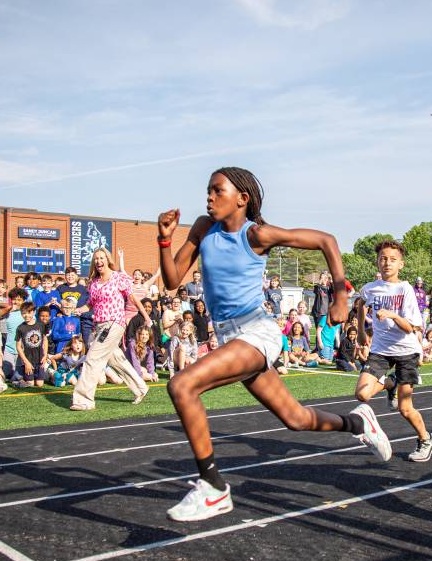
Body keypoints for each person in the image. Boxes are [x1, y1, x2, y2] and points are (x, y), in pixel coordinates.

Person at [157, 166, 390, 521]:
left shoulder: (257, 235)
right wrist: (164, 239)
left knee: (182, 385)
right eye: (208, 190)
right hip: (230, 337)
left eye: (217, 190)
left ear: (242, 199)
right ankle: (359, 424)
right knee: (295, 419)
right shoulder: (204, 229)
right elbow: (172, 281)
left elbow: (326, 240)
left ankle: (213, 487)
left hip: (257, 333)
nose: (209, 197)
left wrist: (341, 296)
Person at [353, 239, 432, 462]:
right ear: (377, 262)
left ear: (401, 264)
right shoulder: (370, 288)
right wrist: (361, 331)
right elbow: (360, 304)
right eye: (383, 259)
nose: (387, 263)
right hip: (380, 349)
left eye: (392, 259)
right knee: (362, 394)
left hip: (406, 351)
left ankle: (426, 439)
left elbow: (411, 327)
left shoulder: (405, 289)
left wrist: (392, 315)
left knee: (405, 408)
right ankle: (391, 383)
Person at [70, 248, 152, 410]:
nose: (99, 261)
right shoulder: (93, 283)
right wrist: (79, 310)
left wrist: (146, 317)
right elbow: (90, 305)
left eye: (102, 258)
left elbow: (133, 298)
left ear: (108, 260)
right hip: (99, 325)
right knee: (115, 359)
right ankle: (140, 387)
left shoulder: (118, 277)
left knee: (92, 358)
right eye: (96, 259)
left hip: (114, 323)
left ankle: (84, 400)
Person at [56, 267, 93, 345]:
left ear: (76, 276)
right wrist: (59, 312)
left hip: (80, 319)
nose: (70, 277)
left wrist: (81, 312)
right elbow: (58, 303)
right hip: (66, 319)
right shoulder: (60, 288)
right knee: (68, 342)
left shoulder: (83, 289)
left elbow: (88, 304)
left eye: (72, 275)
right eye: (68, 275)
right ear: (65, 276)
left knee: (83, 342)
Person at [15, 302, 48, 388]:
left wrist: (45, 355)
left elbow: (45, 340)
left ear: (33, 312)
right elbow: (18, 346)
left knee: (40, 384)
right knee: (30, 384)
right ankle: (19, 380)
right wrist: (26, 362)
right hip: (28, 360)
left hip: (40, 359)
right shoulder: (20, 328)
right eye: (23, 313)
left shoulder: (41, 325)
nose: (26, 315)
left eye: (29, 312)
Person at [312, 270, 333, 343]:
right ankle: (317, 347)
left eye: (325, 278)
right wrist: (320, 281)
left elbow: (333, 289)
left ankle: (323, 345)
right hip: (318, 313)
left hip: (326, 313)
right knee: (318, 330)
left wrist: (330, 280)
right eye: (322, 278)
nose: (324, 280)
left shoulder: (328, 288)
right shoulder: (318, 287)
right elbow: (316, 291)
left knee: (325, 330)